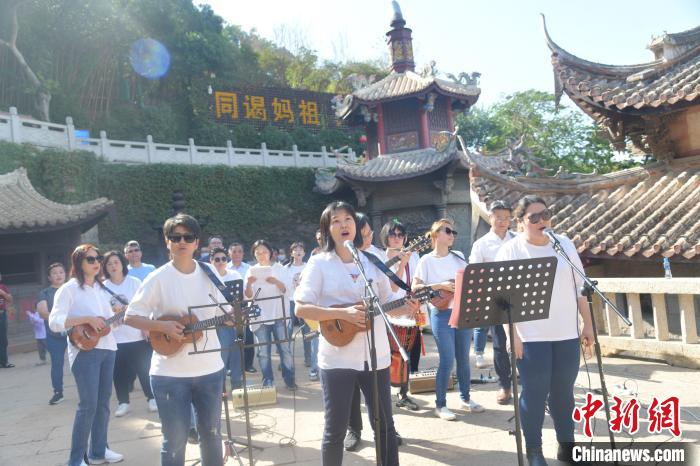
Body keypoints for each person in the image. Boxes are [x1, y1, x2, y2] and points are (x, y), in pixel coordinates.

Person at [295, 201, 420, 466]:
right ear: (327, 229)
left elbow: (389, 305)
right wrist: (343, 314)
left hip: (376, 357)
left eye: (348, 220)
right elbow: (301, 307)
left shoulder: (372, 261)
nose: (343, 225)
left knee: (385, 426)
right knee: (335, 430)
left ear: (357, 226)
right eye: (336, 221)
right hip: (337, 358)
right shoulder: (319, 264)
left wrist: (408, 305)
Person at [495, 195, 594, 466]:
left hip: (566, 332)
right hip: (531, 335)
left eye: (545, 215)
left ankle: (567, 446)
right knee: (535, 393)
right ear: (520, 222)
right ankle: (535, 451)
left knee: (564, 392)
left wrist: (587, 324)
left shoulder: (564, 244)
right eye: (533, 217)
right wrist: (511, 335)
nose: (541, 221)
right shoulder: (510, 250)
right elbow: (502, 300)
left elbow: (579, 287)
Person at [124, 213, 228, 466]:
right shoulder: (157, 278)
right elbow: (130, 317)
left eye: (188, 237)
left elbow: (223, 313)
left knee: (212, 437)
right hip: (169, 374)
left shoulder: (210, 272)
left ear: (197, 242)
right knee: (175, 440)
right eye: (175, 237)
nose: (182, 241)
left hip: (210, 369)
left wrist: (234, 317)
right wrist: (163, 326)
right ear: (166, 241)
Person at [49, 245, 123, 466]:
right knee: (88, 404)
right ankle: (75, 460)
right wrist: (86, 319)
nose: (96, 262)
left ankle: (99, 450)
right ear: (78, 262)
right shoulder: (68, 289)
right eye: (91, 259)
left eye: (98, 258)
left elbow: (109, 326)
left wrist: (118, 318)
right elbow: (54, 322)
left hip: (108, 348)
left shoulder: (104, 289)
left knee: (103, 403)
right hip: (84, 352)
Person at [413, 218, 485, 421]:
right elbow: (415, 289)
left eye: (454, 232)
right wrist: (440, 285)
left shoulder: (459, 256)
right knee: (447, 359)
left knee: (463, 358)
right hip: (441, 314)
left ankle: (465, 398)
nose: (452, 234)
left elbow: (471, 278)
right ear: (436, 234)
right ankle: (440, 404)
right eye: (448, 231)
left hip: (462, 311)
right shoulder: (426, 260)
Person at [468, 200, 516, 405]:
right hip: (496, 299)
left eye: (506, 218)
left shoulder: (518, 239)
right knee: (500, 343)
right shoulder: (481, 244)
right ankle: (504, 385)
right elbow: (474, 273)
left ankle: (530, 381)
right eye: (499, 218)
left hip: (520, 295)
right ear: (490, 218)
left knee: (526, 340)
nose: (503, 221)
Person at [102, 250, 156, 417]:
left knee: (144, 368)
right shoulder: (102, 287)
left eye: (116, 262)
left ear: (122, 264)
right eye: (109, 263)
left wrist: (146, 327)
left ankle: (151, 398)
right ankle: (123, 402)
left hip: (137, 334)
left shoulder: (134, 282)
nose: (113, 266)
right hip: (115, 337)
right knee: (119, 372)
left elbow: (145, 305)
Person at [379, 220, 422, 411]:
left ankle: (403, 393)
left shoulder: (414, 257)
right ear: (385, 237)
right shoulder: (379, 259)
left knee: (408, 355)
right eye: (392, 234)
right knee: (389, 355)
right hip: (389, 312)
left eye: (400, 235)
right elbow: (392, 287)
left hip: (409, 310)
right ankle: (385, 391)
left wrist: (417, 303)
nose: (397, 238)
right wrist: (400, 264)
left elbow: (417, 283)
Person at [244, 239, 296, 389]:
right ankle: (268, 380)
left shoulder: (280, 269)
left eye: (264, 252)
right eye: (258, 252)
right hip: (259, 315)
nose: (261, 255)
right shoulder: (250, 270)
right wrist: (249, 283)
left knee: (284, 349)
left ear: (270, 253)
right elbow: (247, 296)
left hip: (279, 314)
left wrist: (275, 282)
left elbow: (288, 291)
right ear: (254, 254)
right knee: (263, 351)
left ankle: (289, 378)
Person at [209, 247, 244, 390]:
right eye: (217, 259)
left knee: (237, 354)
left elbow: (241, 299)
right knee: (221, 355)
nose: (221, 262)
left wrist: (235, 316)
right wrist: (224, 318)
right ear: (211, 261)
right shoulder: (208, 278)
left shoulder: (234, 274)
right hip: (218, 322)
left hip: (236, 320)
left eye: (224, 259)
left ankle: (237, 385)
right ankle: (221, 387)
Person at [37, 262, 68, 404]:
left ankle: (88, 389)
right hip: (54, 334)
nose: (58, 275)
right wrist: (62, 321)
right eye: (55, 273)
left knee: (84, 362)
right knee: (57, 363)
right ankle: (58, 392)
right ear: (49, 277)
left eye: (61, 272)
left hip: (78, 332)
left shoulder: (72, 289)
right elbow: (43, 312)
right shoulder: (44, 293)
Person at [286, 242, 316, 380]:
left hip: (304, 301)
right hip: (290, 301)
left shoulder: (308, 267)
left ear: (304, 253)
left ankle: (308, 358)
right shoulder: (286, 268)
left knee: (307, 331)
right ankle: (286, 359)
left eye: (301, 250)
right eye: (295, 250)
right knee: (288, 330)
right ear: (291, 253)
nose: (298, 252)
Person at [226, 242, 256, 374]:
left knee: (248, 336)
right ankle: (229, 366)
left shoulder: (249, 268)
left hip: (245, 304)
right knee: (231, 337)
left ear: (243, 254)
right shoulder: (224, 267)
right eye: (234, 251)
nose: (237, 254)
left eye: (239, 251)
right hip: (228, 306)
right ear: (229, 253)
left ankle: (248, 364)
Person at [0, 273, 14, 368]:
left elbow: (10, 299)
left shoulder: (2, 287)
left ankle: (4, 362)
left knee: (3, 339)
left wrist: (3, 293)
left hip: (1, 314)